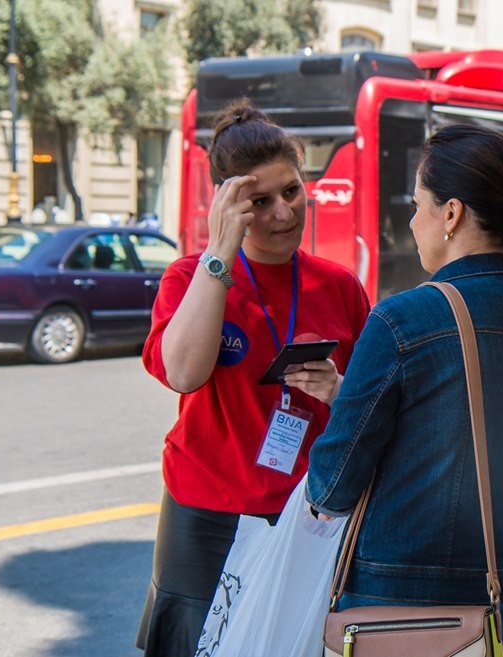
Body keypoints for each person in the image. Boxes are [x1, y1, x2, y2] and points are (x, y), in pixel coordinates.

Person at [306, 123, 503, 657]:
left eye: (418, 205)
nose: (412, 221)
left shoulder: (402, 320)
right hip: (501, 593)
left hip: (395, 601)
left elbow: (330, 488)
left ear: (452, 214)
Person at [135, 98, 371, 657]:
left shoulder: (337, 286)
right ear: (229, 204)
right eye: (260, 202)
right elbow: (185, 374)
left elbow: (374, 405)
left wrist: (338, 391)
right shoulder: (191, 278)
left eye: (291, 192)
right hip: (205, 510)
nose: (284, 214)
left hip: (305, 510)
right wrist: (220, 251)